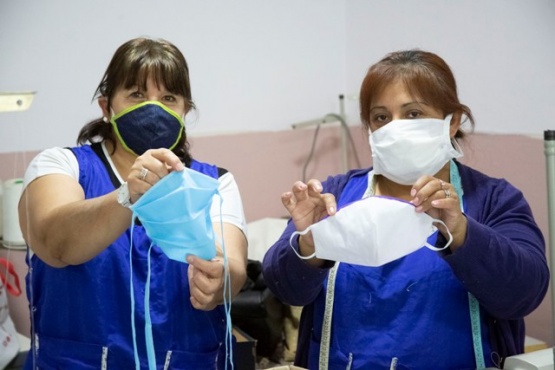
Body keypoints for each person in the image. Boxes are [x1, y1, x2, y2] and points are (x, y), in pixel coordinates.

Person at [262, 49, 549, 369]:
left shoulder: (494, 199)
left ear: (451, 122)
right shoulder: (336, 194)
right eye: (381, 117)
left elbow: (524, 293)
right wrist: (310, 242)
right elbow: (285, 288)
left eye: (413, 114)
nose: (394, 128)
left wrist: (462, 231)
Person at [18, 37, 248, 369]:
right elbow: (55, 242)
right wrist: (128, 195)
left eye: (169, 98)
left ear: (185, 111)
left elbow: (233, 268)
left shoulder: (215, 183)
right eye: (137, 95)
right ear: (106, 107)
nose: (153, 109)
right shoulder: (59, 165)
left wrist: (220, 281)